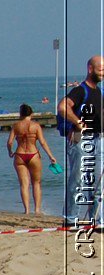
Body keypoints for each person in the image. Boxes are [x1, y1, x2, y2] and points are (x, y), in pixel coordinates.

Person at [59, 55, 103, 228]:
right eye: (100, 69)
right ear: (90, 69)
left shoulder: (100, 92)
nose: (103, 73)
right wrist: (77, 123)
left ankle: (97, 219)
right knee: (77, 180)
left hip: (99, 139)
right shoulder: (80, 90)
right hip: (81, 140)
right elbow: (63, 107)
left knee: (98, 183)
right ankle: (70, 218)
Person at [7, 104, 57, 215]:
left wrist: (10, 151)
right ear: (31, 113)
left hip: (19, 154)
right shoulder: (36, 126)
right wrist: (51, 156)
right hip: (33, 154)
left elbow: (10, 142)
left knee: (24, 184)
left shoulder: (16, 126)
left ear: (21, 114)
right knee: (36, 183)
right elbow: (42, 142)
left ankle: (26, 210)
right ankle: (37, 210)